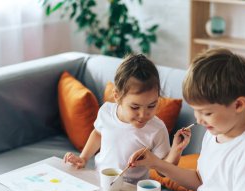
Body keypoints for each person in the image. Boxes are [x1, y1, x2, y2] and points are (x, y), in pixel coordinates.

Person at [129, 48, 245, 191]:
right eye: (195, 111)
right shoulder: (214, 133)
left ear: (238, 104)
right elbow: (201, 180)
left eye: (206, 113)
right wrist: (156, 163)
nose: (198, 120)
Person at [64, 54, 191, 184]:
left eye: (152, 106)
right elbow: (98, 134)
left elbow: (162, 170)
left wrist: (176, 150)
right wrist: (83, 158)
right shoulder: (106, 112)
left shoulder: (157, 128)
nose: (143, 114)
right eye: (135, 107)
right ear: (117, 96)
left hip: (133, 190)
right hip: (101, 180)